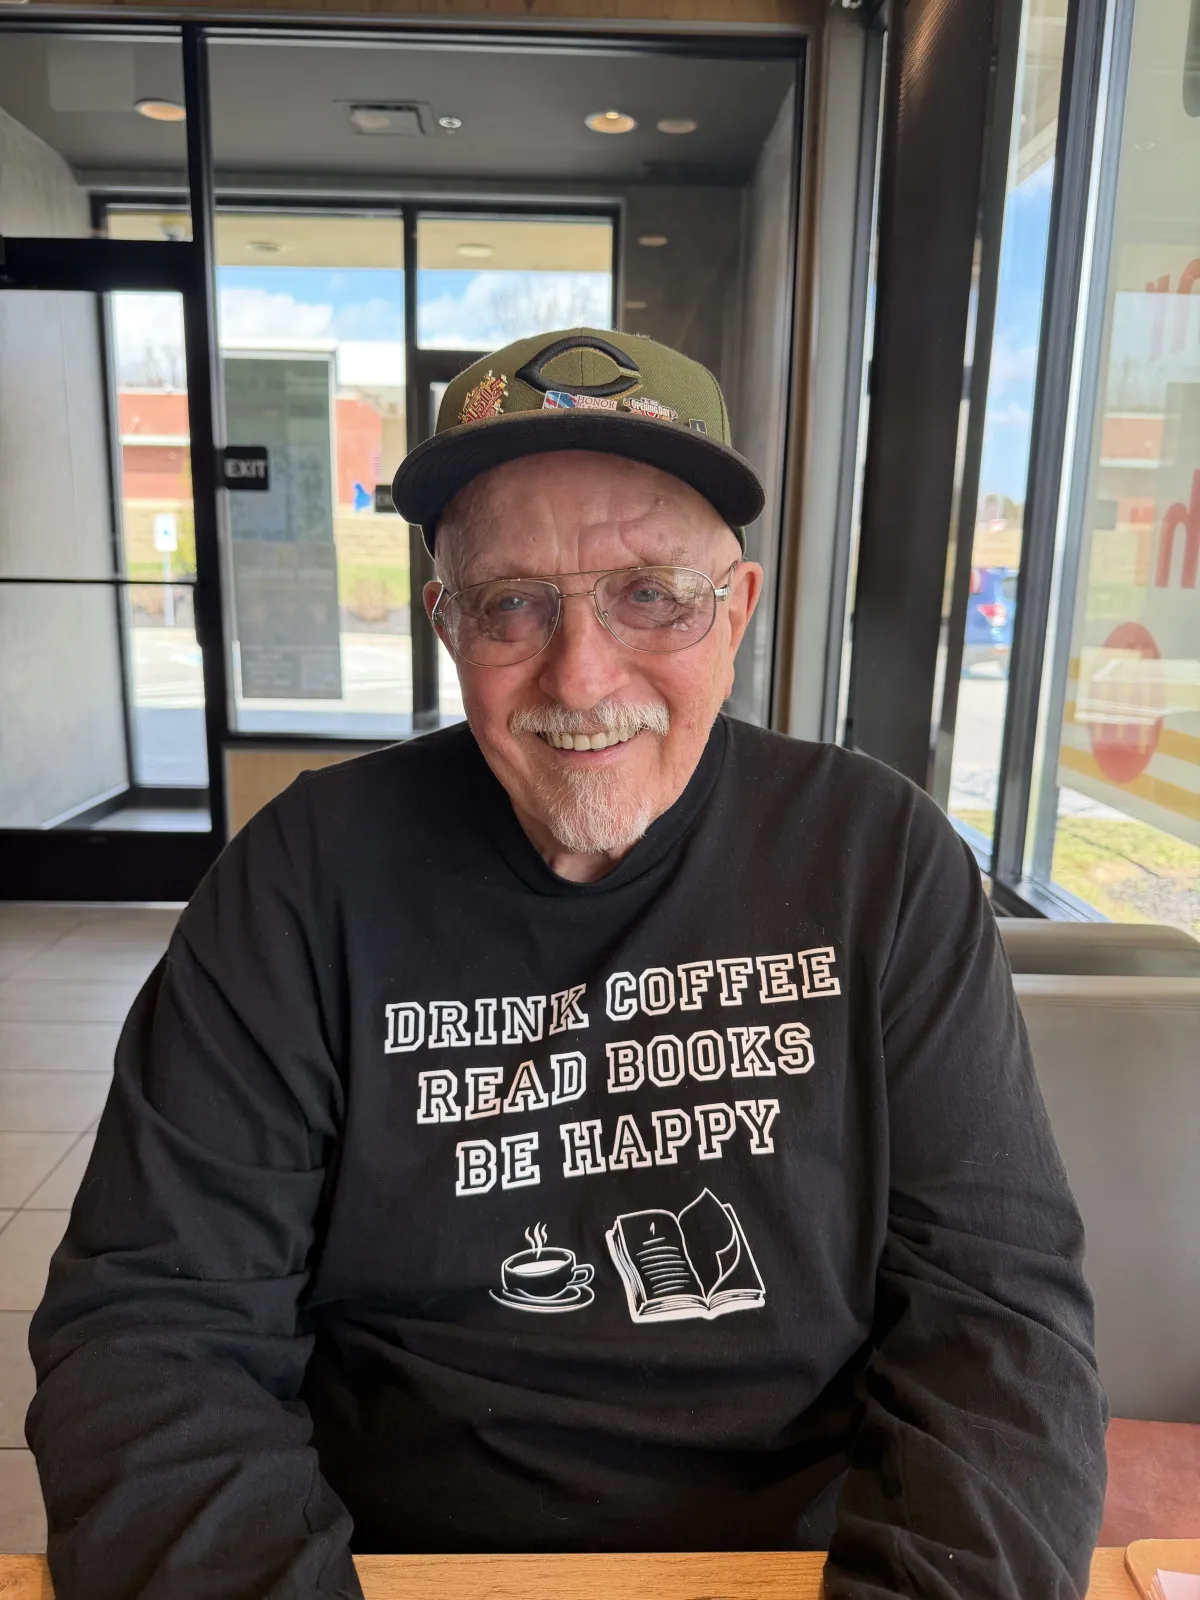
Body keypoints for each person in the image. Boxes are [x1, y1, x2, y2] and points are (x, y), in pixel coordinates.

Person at [27, 328, 1107, 1599]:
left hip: (794, 1569)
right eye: (513, 603)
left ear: (737, 611)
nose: (582, 676)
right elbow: (153, 1328)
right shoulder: (303, 876)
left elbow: (998, 1320)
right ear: (447, 625)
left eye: (650, 592)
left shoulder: (883, 860)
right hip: (387, 1565)